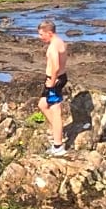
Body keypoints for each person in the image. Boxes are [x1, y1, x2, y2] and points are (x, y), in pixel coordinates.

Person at [37, 19, 68, 156]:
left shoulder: (53, 46)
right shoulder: (59, 41)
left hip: (54, 80)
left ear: (49, 33)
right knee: (42, 105)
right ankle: (58, 131)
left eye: (41, 34)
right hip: (58, 78)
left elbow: (55, 66)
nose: (40, 37)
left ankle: (58, 146)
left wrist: (52, 82)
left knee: (55, 111)